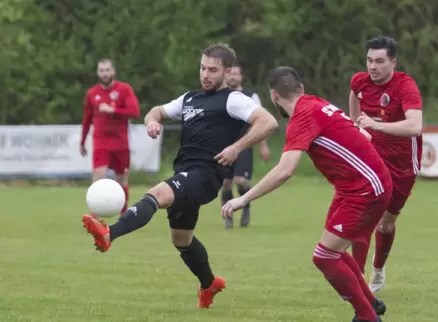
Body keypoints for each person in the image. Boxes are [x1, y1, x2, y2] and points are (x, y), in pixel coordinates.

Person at [82, 44, 278, 309]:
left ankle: (109, 234)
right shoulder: (190, 98)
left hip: (205, 175)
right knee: (181, 240)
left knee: (157, 193)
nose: (205, 74)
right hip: (185, 172)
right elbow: (157, 111)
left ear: (227, 72)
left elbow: (268, 122)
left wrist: (236, 148)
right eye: (202, 68)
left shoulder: (233, 99)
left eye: (213, 70)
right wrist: (152, 121)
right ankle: (209, 284)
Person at [222, 66, 391, 322]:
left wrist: (244, 198)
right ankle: (370, 303)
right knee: (334, 252)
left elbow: (285, 170)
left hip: (366, 188)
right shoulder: (315, 103)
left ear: (274, 96)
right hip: (356, 186)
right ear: (300, 88)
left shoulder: (302, 116)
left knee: (324, 257)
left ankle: (367, 317)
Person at [349, 36, 423, 293]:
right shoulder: (360, 81)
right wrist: (356, 125)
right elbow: (354, 103)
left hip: (402, 165)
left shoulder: (405, 86)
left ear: (393, 62)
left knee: (385, 224)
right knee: (363, 216)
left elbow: (416, 126)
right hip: (372, 158)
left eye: (380, 61)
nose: (373, 66)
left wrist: (376, 125)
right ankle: (356, 278)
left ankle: (378, 269)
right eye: (369, 60)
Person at [80, 59, 140, 214]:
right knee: (98, 178)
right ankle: (94, 218)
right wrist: (82, 141)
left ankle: (124, 215)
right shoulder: (92, 93)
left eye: (107, 70)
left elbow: (135, 112)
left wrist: (114, 110)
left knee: (121, 181)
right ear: (97, 73)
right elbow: (87, 119)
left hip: (121, 143)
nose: (104, 73)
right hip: (101, 142)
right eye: (101, 70)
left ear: (113, 71)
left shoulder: (124, 89)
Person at [222, 63, 271, 228]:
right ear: (225, 75)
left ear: (241, 77)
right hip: (223, 145)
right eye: (230, 74)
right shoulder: (220, 96)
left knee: (240, 181)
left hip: (244, 145)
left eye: (236, 74)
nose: (233, 77)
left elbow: (261, 123)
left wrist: (263, 145)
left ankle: (245, 204)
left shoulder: (251, 96)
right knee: (225, 183)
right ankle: (227, 217)